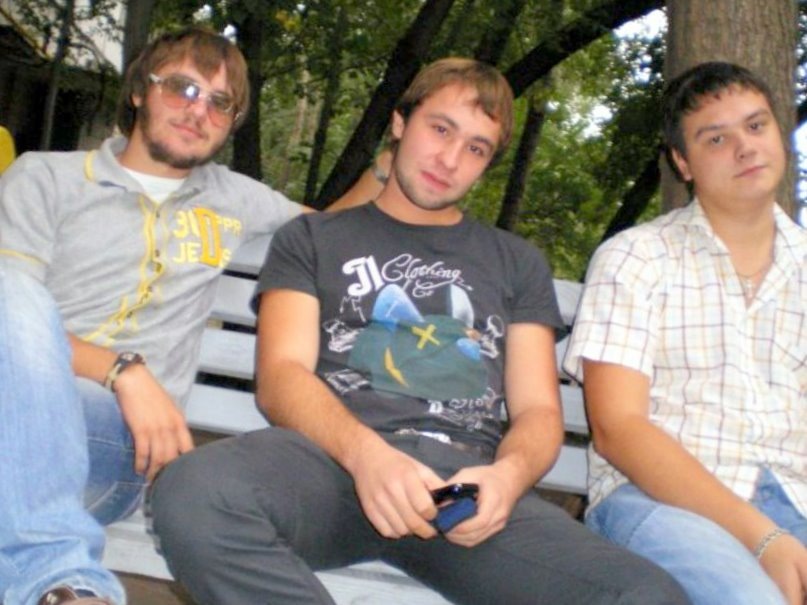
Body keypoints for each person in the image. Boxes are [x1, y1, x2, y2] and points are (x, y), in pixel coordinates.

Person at [150, 57, 689, 604]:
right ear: (400, 122)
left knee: (648, 594)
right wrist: (367, 457)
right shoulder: (313, 239)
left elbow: (538, 412)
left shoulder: (516, 262)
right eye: (440, 129)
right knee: (194, 493)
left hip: (464, 492)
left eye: (476, 148)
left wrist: (508, 478)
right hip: (332, 468)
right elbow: (282, 376)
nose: (450, 160)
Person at [0, 27, 313, 605]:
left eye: (220, 102)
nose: (198, 111)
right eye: (182, 88)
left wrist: (388, 166)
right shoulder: (46, 177)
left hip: (121, 443)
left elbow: (337, 233)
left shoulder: (234, 197)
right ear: (140, 90)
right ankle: (65, 587)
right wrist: (122, 370)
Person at [563, 61, 806, 605]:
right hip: (658, 502)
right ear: (682, 162)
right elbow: (619, 429)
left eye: (756, 125)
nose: (744, 147)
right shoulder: (638, 258)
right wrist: (764, 537)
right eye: (716, 138)